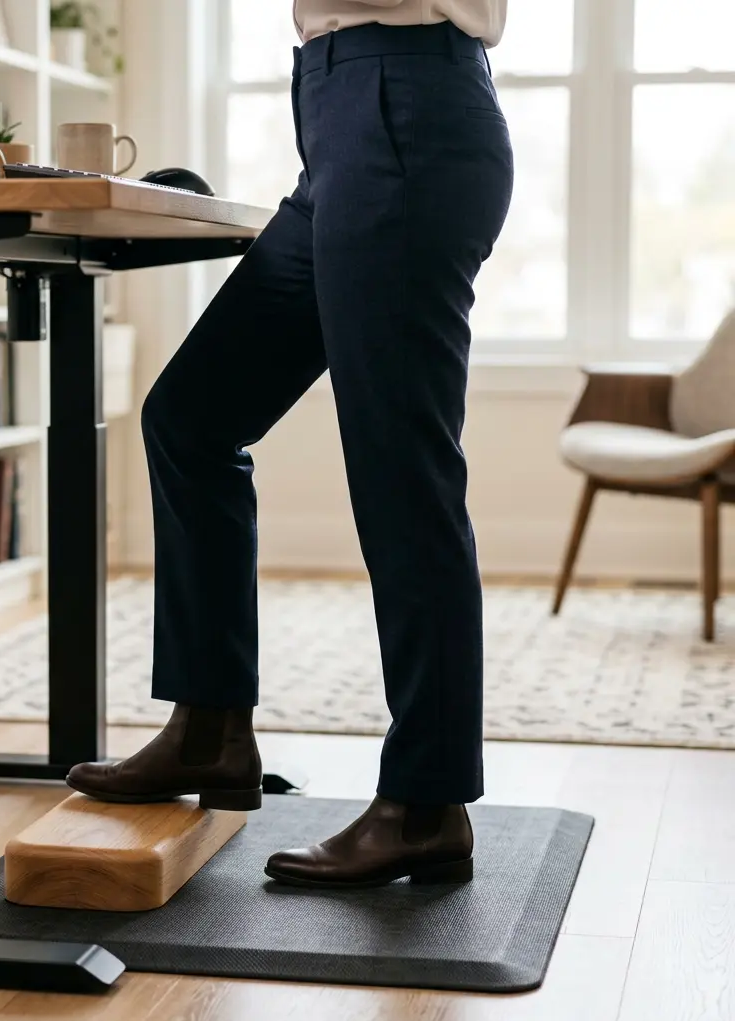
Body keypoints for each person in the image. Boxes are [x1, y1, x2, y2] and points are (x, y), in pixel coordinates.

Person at [68, 0, 513, 889]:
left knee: (403, 477)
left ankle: (427, 804)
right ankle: (210, 730)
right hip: (346, 124)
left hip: (406, 111)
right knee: (191, 419)